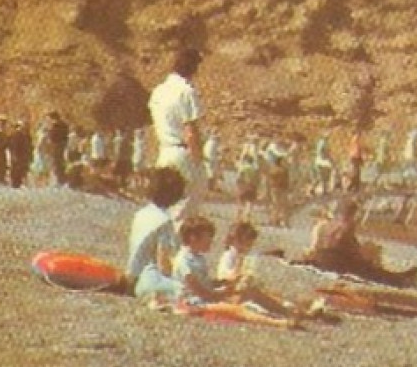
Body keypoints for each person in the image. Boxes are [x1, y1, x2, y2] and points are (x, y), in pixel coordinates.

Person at [172, 216, 301, 330]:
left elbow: (206, 283)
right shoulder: (184, 261)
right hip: (191, 304)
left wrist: (226, 282)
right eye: (208, 238)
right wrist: (228, 291)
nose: (211, 241)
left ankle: (288, 312)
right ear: (193, 238)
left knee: (250, 291)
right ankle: (277, 323)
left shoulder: (197, 257)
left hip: (202, 298)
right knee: (235, 309)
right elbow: (203, 294)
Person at [299, 198, 417, 288]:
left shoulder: (323, 225)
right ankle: (395, 279)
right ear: (353, 214)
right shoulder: (347, 225)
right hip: (340, 262)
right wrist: (369, 256)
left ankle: (390, 275)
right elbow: (351, 248)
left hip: (322, 259)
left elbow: (315, 247)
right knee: (372, 256)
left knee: (369, 251)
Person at [148, 46, 207, 217]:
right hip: (183, 154)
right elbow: (191, 131)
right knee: (185, 210)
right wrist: (199, 161)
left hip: (165, 151)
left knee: (163, 208)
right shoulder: (186, 92)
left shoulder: (158, 91)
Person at [125, 167, 186, 304]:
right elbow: (162, 260)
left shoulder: (141, 213)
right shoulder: (165, 221)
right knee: (186, 289)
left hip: (131, 274)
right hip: (147, 278)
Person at [9, 118, 33, 189]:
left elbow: (30, 146)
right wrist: (14, 155)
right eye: (24, 126)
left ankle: (21, 184)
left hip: (24, 157)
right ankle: (16, 185)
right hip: (18, 157)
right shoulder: (16, 135)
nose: (25, 127)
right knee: (17, 171)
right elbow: (14, 147)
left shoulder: (27, 135)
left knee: (23, 171)